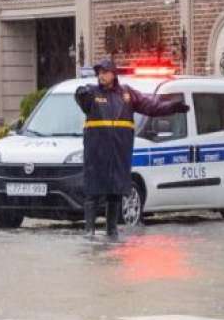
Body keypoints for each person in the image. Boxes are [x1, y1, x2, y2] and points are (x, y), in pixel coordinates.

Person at [74, 58, 189, 240]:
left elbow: (151, 106)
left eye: (105, 72)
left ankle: (112, 232)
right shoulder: (92, 93)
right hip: (97, 154)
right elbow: (81, 99)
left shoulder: (127, 94)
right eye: (99, 72)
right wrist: (81, 93)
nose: (101, 76)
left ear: (113, 74)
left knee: (115, 193)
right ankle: (89, 232)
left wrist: (172, 107)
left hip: (119, 154)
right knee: (93, 192)